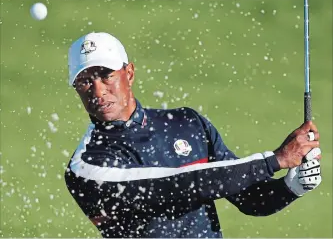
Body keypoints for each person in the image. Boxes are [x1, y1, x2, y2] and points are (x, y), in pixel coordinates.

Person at [64, 32, 322, 238]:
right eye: (85, 81)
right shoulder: (86, 167)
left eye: (106, 76)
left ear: (129, 73)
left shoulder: (187, 122)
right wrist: (275, 160)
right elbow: (180, 184)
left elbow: (249, 198)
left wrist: (292, 186)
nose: (98, 91)